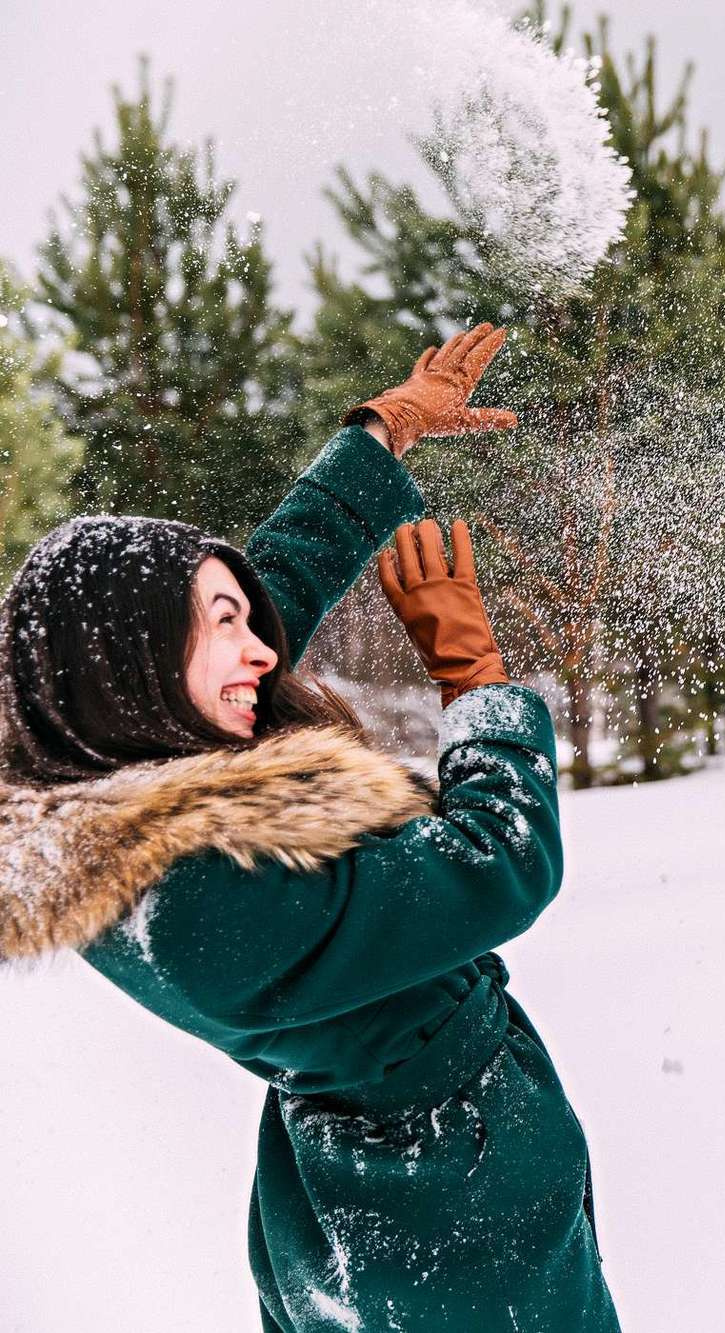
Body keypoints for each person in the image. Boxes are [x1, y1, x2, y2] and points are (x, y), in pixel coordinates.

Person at [0, 326, 620, 1331]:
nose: (260, 649)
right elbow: (498, 862)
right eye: (223, 624)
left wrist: (379, 434)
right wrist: (473, 677)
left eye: (243, 618)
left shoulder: (114, 776)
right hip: (434, 1213)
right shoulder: (198, 903)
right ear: (133, 661)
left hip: (370, 1189)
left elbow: (266, 591)